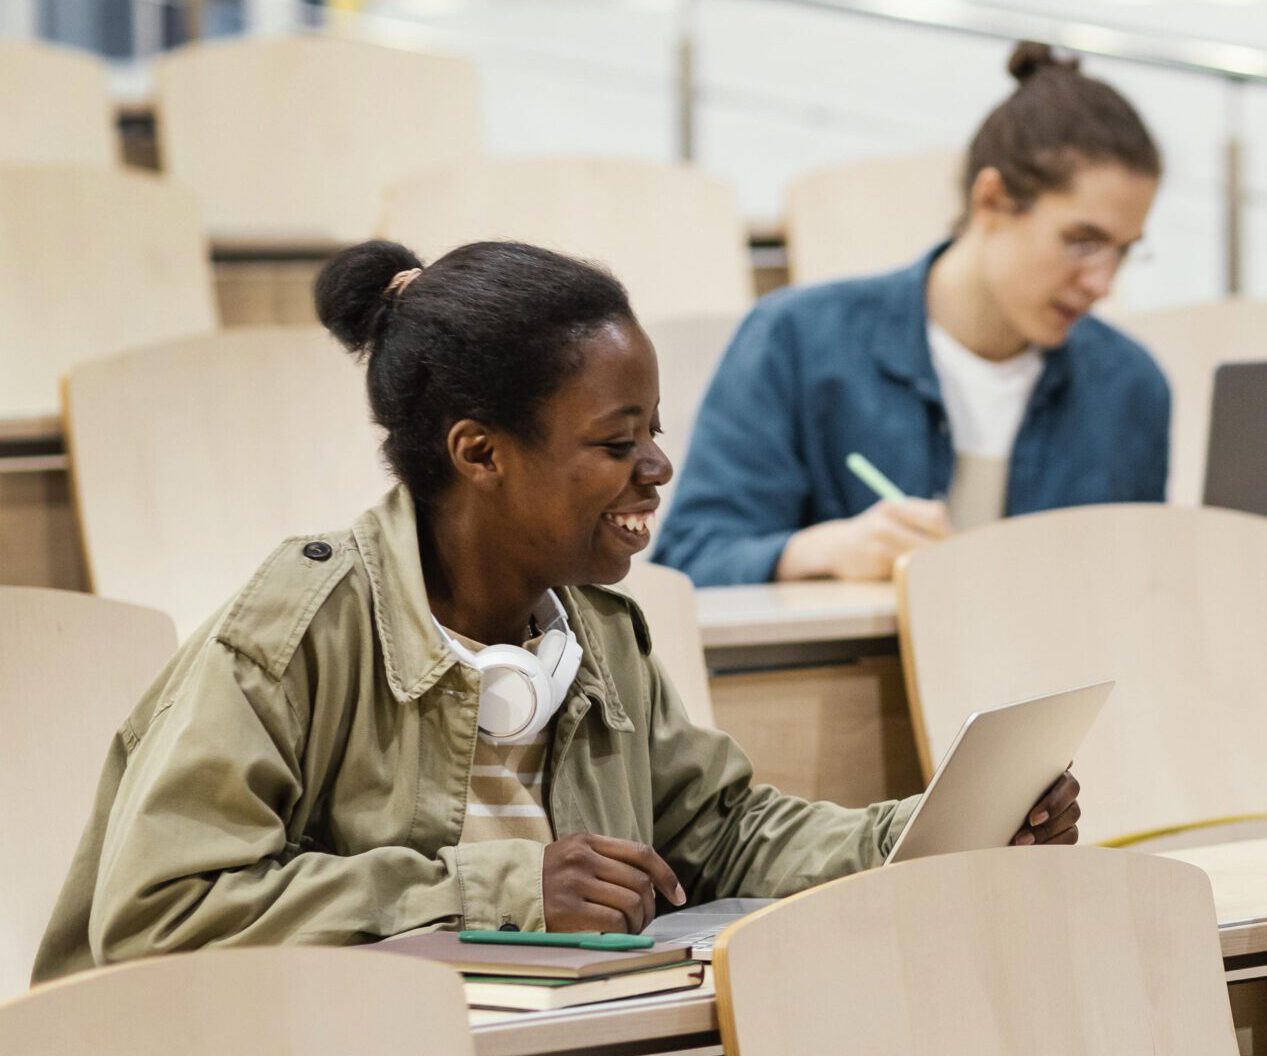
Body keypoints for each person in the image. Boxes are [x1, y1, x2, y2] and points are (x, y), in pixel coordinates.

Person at [33, 239, 1081, 983]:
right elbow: (161, 915)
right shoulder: (297, 630)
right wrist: (502, 885)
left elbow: (722, 832)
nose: (659, 467)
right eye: (616, 439)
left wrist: (936, 833)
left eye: (653, 431)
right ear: (480, 452)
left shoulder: (595, 630)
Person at [655, 41, 1170, 586]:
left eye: (1124, 250)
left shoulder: (1131, 387)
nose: (1103, 283)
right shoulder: (796, 341)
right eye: (1082, 241)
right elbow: (691, 564)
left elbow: (1138, 593)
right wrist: (816, 551)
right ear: (991, 199)